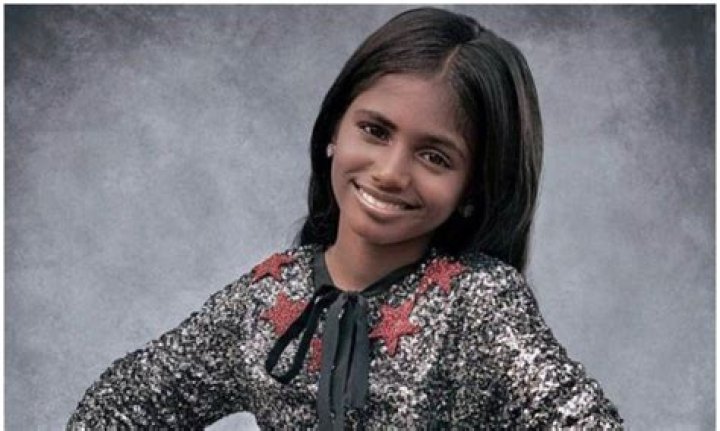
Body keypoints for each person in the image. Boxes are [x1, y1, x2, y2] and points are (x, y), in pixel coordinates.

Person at [67, 7, 623, 430]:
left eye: (434, 156)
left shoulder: (477, 302)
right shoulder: (265, 300)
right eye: (375, 131)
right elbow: (114, 408)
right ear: (334, 130)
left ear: (472, 187)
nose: (390, 173)